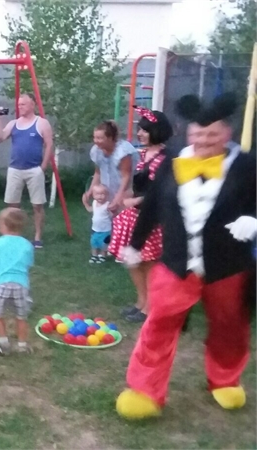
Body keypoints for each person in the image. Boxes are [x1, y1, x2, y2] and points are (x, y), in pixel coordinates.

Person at [116, 93, 256, 419]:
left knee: (229, 327)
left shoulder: (247, 165)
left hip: (228, 266)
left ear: (227, 133)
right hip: (177, 263)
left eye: (212, 134)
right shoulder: (174, 161)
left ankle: (225, 379)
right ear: (189, 133)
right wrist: (135, 244)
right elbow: (152, 204)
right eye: (198, 133)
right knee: (159, 324)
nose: (204, 140)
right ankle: (145, 390)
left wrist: (253, 219)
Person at [108, 107, 173, 323]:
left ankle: (150, 308)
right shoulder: (142, 154)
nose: (140, 134)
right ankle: (141, 302)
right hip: (134, 216)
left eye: (145, 130)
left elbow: (163, 192)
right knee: (133, 262)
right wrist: (126, 197)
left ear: (157, 131)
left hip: (152, 218)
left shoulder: (167, 158)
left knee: (148, 263)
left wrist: (138, 200)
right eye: (140, 129)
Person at [0, 93, 54, 248]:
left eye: (23, 104)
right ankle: (13, 236)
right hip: (15, 169)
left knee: (37, 205)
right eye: (19, 104)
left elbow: (49, 144)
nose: (20, 107)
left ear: (32, 105)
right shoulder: (13, 123)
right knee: (12, 206)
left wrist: (43, 166)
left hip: (34, 169)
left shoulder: (41, 123)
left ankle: (37, 237)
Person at [0, 208, 35, 356]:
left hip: (0, 283)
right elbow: (28, 264)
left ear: (4, 225)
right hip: (21, 284)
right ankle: (22, 345)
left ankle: (4, 343)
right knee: (21, 316)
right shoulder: (27, 245)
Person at [83, 121, 139, 215]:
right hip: (105, 192)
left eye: (99, 138)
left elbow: (126, 176)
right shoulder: (97, 151)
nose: (96, 141)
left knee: (121, 218)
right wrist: (90, 191)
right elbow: (98, 172)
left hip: (123, 191)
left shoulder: (123, 151)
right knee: (103, 219)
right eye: (94, 137)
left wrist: (118, 198)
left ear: (110, 138)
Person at [83, 184, 113, 264]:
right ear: (93, 195)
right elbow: (90, 210)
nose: (100, 196)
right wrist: (85, 203)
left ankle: (103, 256)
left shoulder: (107, 205)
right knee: (94, 242)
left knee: (104, 244)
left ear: (107, 195)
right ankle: (94, 255)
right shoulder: (94, 203)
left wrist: (112, 211)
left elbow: (112, 215)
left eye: (102, 194)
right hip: (95, 229)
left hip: (105, 229)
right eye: (97, 194)